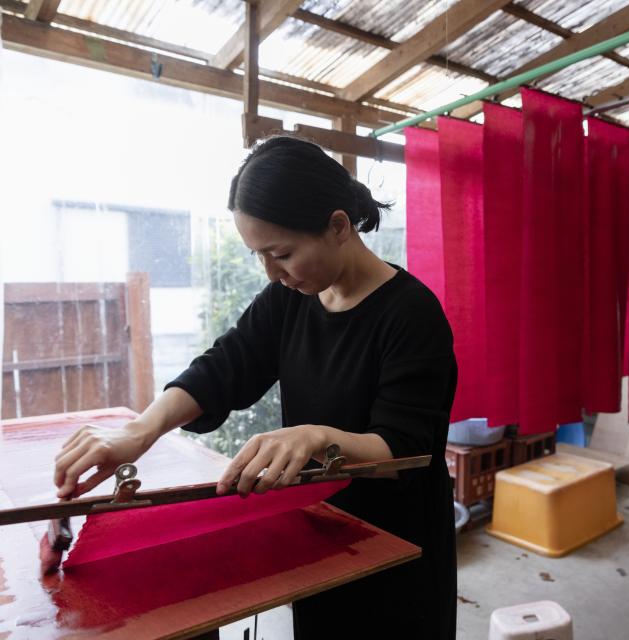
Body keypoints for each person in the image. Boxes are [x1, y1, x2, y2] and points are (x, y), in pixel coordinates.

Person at [52, 135, 458, 638]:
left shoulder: (412, 315)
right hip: (323, 530)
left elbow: (406, 446)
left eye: (282, 253)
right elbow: (224, 367)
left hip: (400, 543)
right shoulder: (289, 299)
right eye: (259, 255)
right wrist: (140, 431)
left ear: (338, 227)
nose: (271, 272)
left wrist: (316, 436)